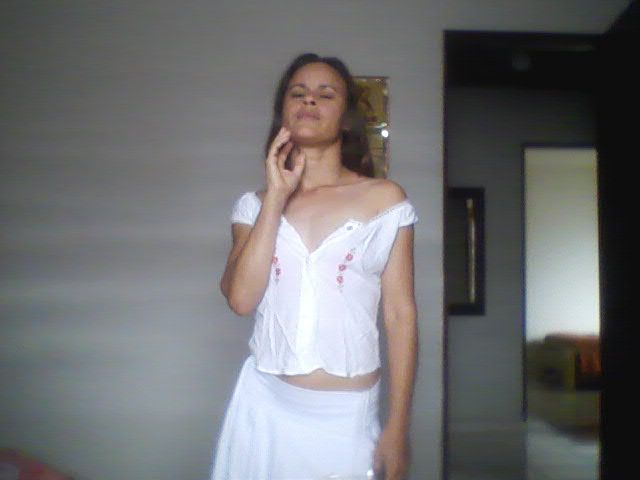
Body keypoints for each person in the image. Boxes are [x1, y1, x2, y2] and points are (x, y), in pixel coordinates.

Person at [211, 53, 418, 480]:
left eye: (326, 94)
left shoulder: (386, 201)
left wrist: (398, 426)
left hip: (347, 418)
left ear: (346, 117)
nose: (309, 101)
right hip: (264, 408)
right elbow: (241, 299)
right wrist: (275, 196)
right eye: (298, 93)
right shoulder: (252, 206)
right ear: (282, 111)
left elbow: (400, 315)